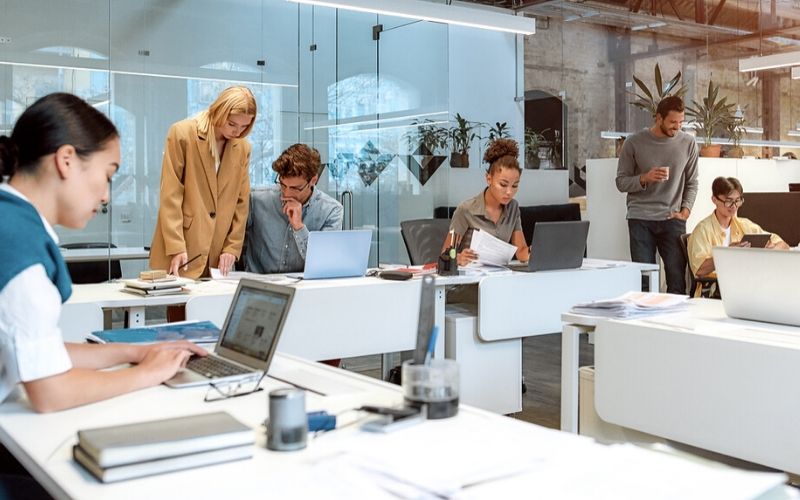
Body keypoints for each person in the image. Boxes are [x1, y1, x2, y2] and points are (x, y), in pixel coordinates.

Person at [0, 93, 205, 414]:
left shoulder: (10, 220)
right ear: (66, 160)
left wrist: (136, 352)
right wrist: (148, 373)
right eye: (108, 175)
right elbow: (51, 392)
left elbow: (38, 350)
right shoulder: (18, 244)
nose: (107, 195)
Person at [149, 86, 256, 278]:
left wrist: (232, 247)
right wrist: (176, 245)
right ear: (220, 112)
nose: (238, 132)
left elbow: (241, 202)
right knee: (180, 308)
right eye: (232, 124)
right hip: (182, 248)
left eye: (244, 127)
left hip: (217, 254)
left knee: (212, 308)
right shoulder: (182, 133)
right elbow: (170, 195)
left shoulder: (243, 148)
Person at [616, 95, 699, 294]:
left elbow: (692, 182)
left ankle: (673, 324)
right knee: (644, 281)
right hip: (640, 219)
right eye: (672, 122)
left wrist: (685, 212)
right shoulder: (634, 142)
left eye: (680, 122)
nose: (677, 127)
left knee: (677, 280)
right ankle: (645, 323)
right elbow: (621, 182)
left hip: (673, 219)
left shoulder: (688, 143)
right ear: (658, 118)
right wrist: (644, 178)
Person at [244, 143, 343, 274]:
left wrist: (299, 227)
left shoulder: (331, 211)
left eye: (295, 188)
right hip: (258, 286)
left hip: (303, 288)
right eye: (283, 185)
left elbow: (324, 263)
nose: (287, 193)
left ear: (313, 180)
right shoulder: (257, 199)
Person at [446, 138, 530, 266]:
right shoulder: (466, 209)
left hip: (498, 280)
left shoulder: (513, 207)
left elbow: (521, 254)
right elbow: (445, 255)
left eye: (515, 186)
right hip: (469, 281)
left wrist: (536, 250)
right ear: (488, 178)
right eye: (503, 184)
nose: (509, 192)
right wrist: (457, 258)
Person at [688, 176, 788, 278]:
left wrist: (773, 249)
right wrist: (728, 254)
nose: (734, 206)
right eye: (728, 201)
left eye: (737, 200)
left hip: (745, 281)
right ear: (714, 200)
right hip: (714, 288)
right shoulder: (703, 230)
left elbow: (783, 245)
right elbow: (699, 269)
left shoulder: (744, 225)